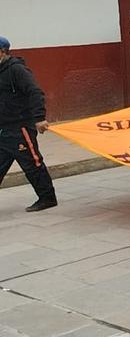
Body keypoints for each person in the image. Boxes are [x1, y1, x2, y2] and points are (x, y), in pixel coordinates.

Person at [0, 37, 57, 213]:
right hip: (3, 129)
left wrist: (39, 117)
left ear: (2, 52)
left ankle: (47, 198)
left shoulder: (16, 70)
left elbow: (35, 92)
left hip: (20, 128)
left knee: (33, 164)